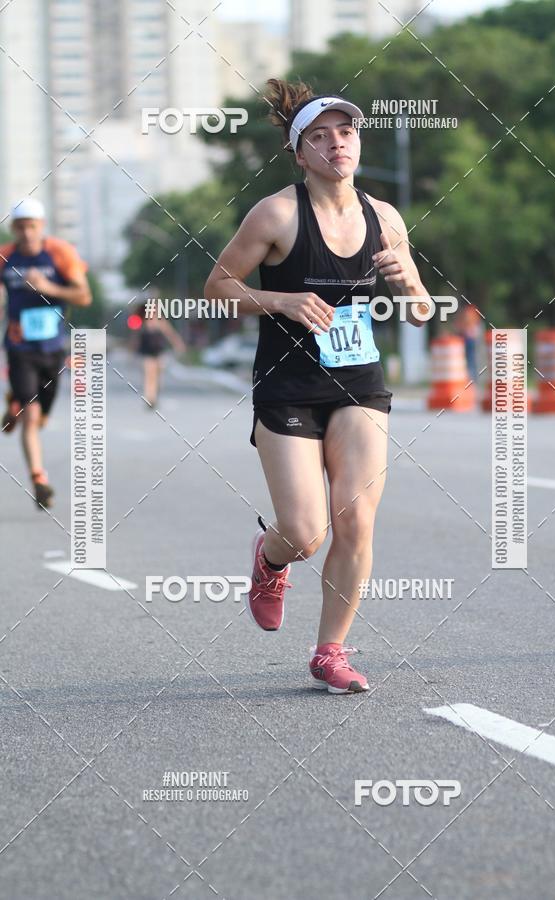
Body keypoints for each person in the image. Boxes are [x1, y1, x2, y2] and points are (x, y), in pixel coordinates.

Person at [204, 79, 430, 693]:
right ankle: (271, 557)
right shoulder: (277, 213)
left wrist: (410, 280)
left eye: (346, 131)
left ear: (358, 143)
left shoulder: (384, 218)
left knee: (357, 520)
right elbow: (217, 289)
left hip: (359, 384)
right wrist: (281, 299)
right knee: (306, 532)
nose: (337, 143)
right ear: (300, 154)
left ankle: (331, 650)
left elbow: (420, 313)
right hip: (288, 387)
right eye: (320, 136)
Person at [0, 199, 91, 508]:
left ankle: (14, 403)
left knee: (40, 416)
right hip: (19, 346)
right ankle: (39, 479)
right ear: (13, 229)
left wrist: (49, 287)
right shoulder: (5, 257)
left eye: (32, 226)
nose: (27, 233)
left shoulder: (60, 253)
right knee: (31, 413)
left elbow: (84, 295)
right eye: (21, 227)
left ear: (42, 226)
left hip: (53, 349)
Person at [132, 300, 186, 408]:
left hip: (159, 353)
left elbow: (170, 334)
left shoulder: (161, 321)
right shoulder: (143, 321)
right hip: (147, 353)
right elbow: (135, 335)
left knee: (158, 377)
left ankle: (154, 395)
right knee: (149, 375)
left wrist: (178, 344)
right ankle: (149, 398)